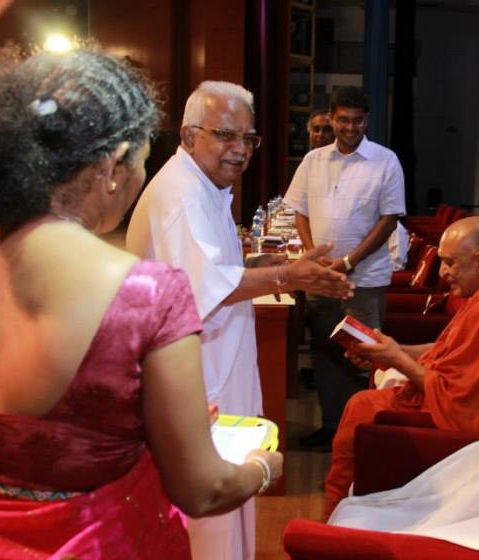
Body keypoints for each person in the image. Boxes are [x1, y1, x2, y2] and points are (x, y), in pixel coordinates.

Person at [0, 46, 282, 559]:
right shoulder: (146, 294)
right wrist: (262, 466)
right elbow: (202, 488)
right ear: (111, 166)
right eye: (142, 162)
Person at [126, 80, 351, 560]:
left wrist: (272, 270)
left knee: (223, 518)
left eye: (247, 139)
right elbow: (208, 288)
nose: (239, 150)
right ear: (189, 136)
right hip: (196, 380)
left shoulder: (202, 185)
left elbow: (214, 271)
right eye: (225, 135)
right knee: (206, 523)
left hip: (213, 368)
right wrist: (290, 274)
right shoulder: (183, 194)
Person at [325, 217, 479, 512]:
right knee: (362, 402)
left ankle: (337, 513)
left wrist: (397, 359)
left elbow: (465, 403)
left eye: (450, 263)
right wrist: (389, 349)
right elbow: (448, 350)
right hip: (444, 398)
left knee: (362, 407)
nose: (443, 273)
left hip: (455, 426)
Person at [284, 87, 407, 448]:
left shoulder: (385, 161)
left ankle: (360, 432)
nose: (349, 127)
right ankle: (331, 425)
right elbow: (300, 212)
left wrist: (349, 262)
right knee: (324, 349)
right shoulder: (313, 160)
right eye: (342, 120)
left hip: (364, 279)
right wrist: (312, 254)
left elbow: (388, 220)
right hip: (322, 277)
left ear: (366, 121)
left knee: (363, 354)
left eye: (357, 120)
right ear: (332, 118)